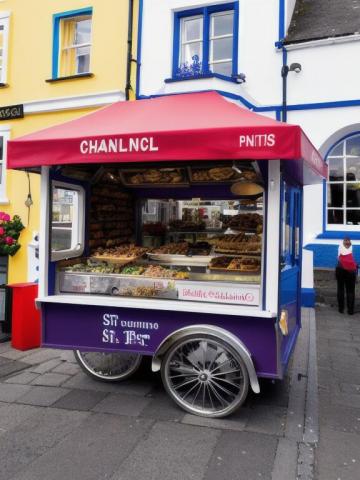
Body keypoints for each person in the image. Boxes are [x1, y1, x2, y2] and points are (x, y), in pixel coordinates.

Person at [336, 237, 357, 315]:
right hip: (351, 271)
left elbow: (338, 257)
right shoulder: (351, 247)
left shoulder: (340, 246)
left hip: (340, 269)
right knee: (350, 291)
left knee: (340, 289)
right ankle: (350, 310)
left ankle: (341, 309)